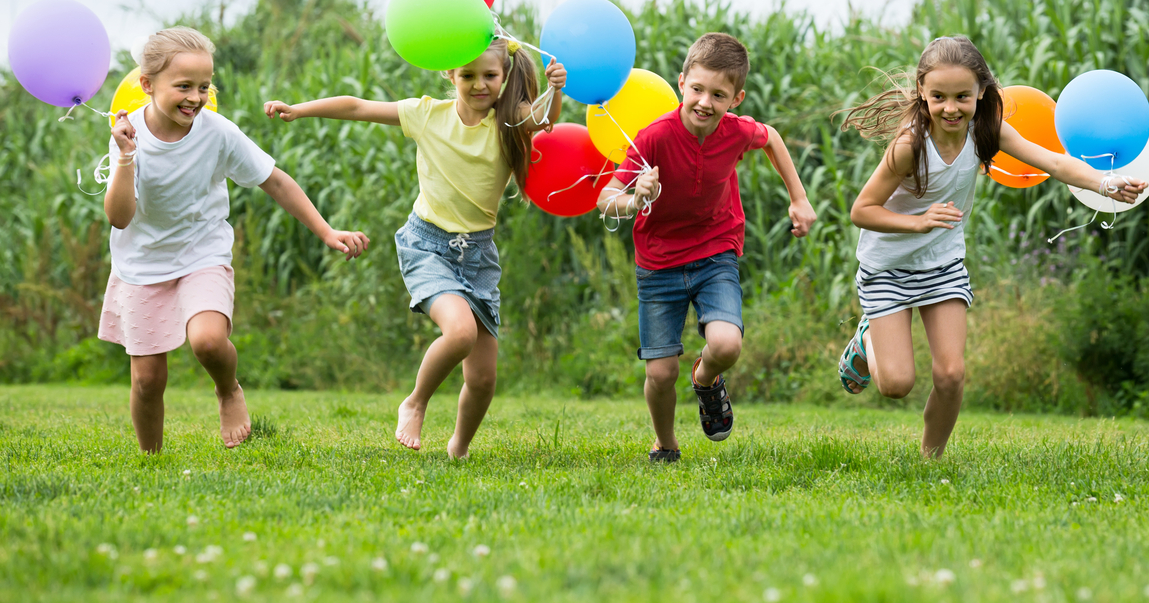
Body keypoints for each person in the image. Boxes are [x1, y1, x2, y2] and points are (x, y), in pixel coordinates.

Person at [838, 35, 1147, 457]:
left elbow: (1053, 161)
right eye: (939, 97)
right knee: (896, 386)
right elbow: (862, 210)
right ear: (922, 95)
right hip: (887, 266)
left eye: (962, 96)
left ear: (981, 92)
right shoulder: (910, 146)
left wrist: (1105, 183)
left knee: (951, 374)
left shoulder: (987, 130)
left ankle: (930, 462)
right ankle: (868, 338)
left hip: (942, 265)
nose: (951, 108)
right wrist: (919, 222)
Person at [265, 39, 565, 458]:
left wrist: (556, 91)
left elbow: (542, 119)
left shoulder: (509, 122)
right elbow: (357, 106)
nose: (479, 85)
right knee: (459, 332)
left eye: (490, 76)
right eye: (468, 76)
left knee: (482, 380)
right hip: (428, 245)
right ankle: (416, 401)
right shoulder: (427, 115)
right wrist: (301, 108)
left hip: (477, 255)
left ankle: (458, 448)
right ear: (450, 75)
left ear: (504, 77)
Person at [102, 27, 368, 453]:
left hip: (201, 252)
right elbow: (119, 218)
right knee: (147, 379)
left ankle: (228, 390)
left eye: (204, 87)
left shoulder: (217, 131)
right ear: (147, 85)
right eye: (183, 86)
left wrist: (326, 230)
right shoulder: (127, 135)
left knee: (208, 341)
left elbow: (275, 181)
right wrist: (127, 157)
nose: (195, 97)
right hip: (142, 263)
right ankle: (151, 461)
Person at [598, 32, 816, 462]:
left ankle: (705, 379)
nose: (705, 102)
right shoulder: (654, 137)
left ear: (736, 98)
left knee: (727, 345)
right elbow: (606, 198)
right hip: (658, 263)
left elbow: (770, 136)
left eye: (719, 94)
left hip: (715, 251)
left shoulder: (736, 132)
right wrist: (637, 197)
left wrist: (799, 197)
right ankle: (665, 443)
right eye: (697, 89)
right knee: (660, 373)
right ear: (681, 82)